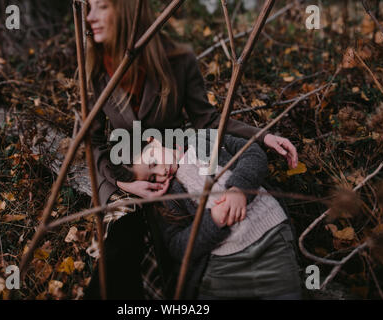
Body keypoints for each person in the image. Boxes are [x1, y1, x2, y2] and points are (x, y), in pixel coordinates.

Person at [84, 0, 299, 299]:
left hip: (179, 167)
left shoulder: (178, 59)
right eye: (88, 6)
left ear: (127, 11)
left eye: (101, 6)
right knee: (123, 237)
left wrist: (262, 137)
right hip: (126, 171)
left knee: (171, 251)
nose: (89, 16)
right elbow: (91, 142)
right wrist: (125, 182)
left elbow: (207, 119)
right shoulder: (93, 70)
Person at [111, 132, 302, 299]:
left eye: (154, 163)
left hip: (271, 236)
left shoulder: (202, 140)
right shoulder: (167, 198)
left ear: (154, 142)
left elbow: (252, 153)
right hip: (225, 261)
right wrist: (213, 222)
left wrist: (239, 189)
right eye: (152, 178)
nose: (161, 172)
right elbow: (178, 246)